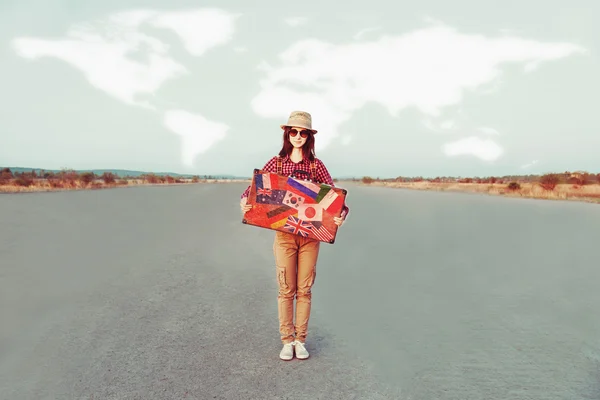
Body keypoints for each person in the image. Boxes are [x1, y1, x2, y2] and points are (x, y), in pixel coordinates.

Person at [239, 110, 349, 361]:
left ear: (309, 136)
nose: (298, 136)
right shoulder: (276, 163)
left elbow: (334, 197)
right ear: (287, 134)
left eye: (303, 132)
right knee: (286, 288)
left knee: (305, 289)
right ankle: (286, 340)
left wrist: (341, 215)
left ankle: (301, 340)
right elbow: (253, 188)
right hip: (284, 235)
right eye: (293, 131)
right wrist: (245, 203)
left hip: (311, 236)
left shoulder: (315, 165)